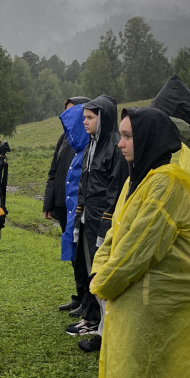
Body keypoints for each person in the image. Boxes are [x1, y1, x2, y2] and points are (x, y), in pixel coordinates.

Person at [90, 107, 190, 377]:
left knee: (149, 365)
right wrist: (98, 270)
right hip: (128, 299)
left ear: (149, 138)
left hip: (154, 306)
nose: (120, 143)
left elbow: (138, 250)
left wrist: (101, 284)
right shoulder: (137, 180)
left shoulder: (168, 184)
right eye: (120, 135)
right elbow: (115, 234)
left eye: (128, 136)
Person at [65, 95, 127, 352]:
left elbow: (115, 189)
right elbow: (85, 184)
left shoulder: (114, 146)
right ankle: (93, 321)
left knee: (101, 274)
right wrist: (79, 215)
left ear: (103, 118)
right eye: (84, 118)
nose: (86, 122)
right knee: (92, 270)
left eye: (90, 117)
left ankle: (103, 329)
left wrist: (105, 225)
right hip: (88, 218)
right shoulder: (91, 145)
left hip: (103, 221)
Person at [43, 97, 90, 315]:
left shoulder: (88, 141)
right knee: (72, 251)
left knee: (82, 253)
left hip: (78, 207)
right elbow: (54, 171)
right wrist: (49, 202)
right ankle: (79, 295)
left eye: (73, 112)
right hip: (62, 205)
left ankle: (86, 298)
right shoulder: (65, 138)